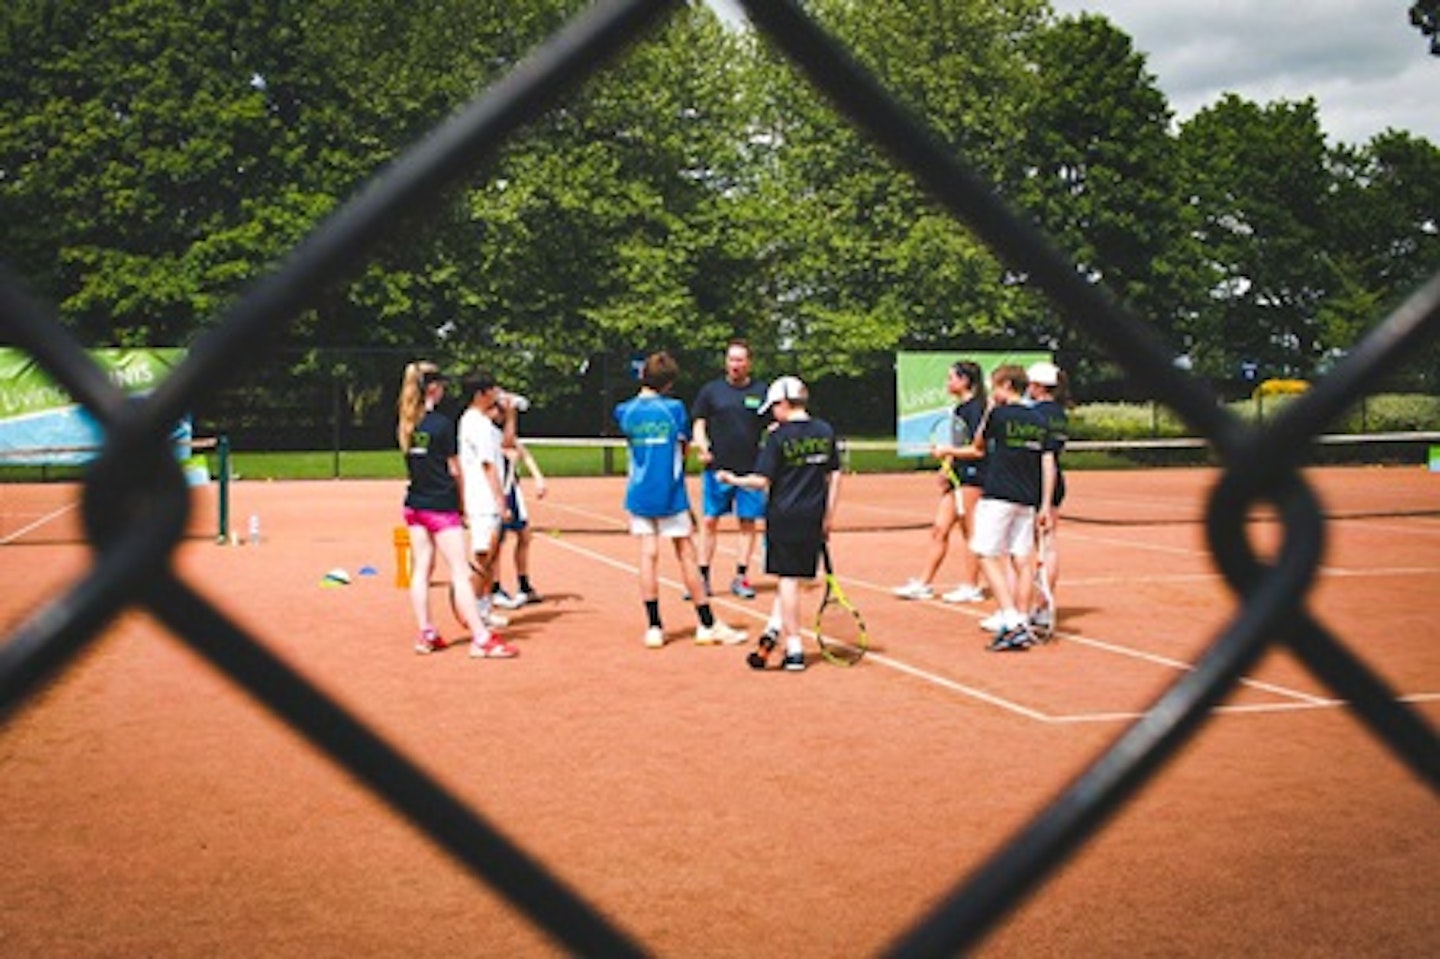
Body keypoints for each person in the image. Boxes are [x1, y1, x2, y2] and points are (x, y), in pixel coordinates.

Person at [614, 350, 749, 649]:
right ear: (669, 383)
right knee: (686, 555)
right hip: (670, 493)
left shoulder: (624, 411)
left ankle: (654, 627)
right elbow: (683, 448)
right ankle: (707, 623)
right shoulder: (674, 410)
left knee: (647, 555)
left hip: (638, 492)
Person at [717, 375, 841, 672]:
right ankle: (773, 630)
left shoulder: (778, 437)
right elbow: (834, 475)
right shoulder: (825, 431)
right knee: (795, 579)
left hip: (783, 516)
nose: (773, 413)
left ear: (785, 403)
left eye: (774, 407)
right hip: (813, 516)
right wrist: (828, 516)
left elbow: (761, 480)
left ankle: (795, 647)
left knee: (786, 579)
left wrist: (732, 478)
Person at [395, 362, 512, 659]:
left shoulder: (407, 423)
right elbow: (454, 470)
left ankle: (426, 633)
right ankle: (481, 637)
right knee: (460, 572)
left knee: (422, 569)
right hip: (440, 506)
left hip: (415, 505)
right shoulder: (442, 424)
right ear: (432, 388)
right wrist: (462, 508)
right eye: (441, 384)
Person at [949, 364, 1054, 652]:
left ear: (1006, 385)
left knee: (984, 552)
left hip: (998, 495)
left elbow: (978, 445)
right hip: (1028, 498)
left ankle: (1010, 618)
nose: (992, 392)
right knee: (1022, 559)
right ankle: (1021, 618)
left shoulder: (998, 414)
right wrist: (1045, 503)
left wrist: (991, 409)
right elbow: (1048, 462)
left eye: (995, 386)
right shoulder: (1039, 419)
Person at [892, 359, 988, 604]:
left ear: (965, 381)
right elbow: (957, 447)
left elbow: (979, 450)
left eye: (951, 378)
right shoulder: (959, 410)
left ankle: (971, 586)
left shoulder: (976, 409)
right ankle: (924, 583)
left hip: (974, 478)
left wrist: (947, 452)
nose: (948, 383)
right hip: (958, 477)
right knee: (939, 529)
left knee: (970, 533)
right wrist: (946, 468)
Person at [690, 339, 769, 600]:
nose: (735, 364)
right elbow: (699, 423)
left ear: (749, 362)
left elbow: (773, 425)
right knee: (709, 522)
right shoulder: (711, 391)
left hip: (750, 471)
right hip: (717, 470)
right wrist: (702, 446)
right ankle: (702, 578)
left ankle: (741, 577)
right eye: (731, 359)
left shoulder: (761, 392)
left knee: (748, 523)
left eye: (740, 360)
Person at [454, 370, 521, 655]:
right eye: (492, 389)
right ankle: (471, 616)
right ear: (481, 394)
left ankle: (481, 611)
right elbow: (487, 465)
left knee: (490, 557)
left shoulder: (482, 422)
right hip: (483, 500)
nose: (497, 393)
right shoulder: (475, 423)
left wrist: (510, 415)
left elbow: (505, 445)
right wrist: (500, 500)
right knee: (483, 560)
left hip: (485, 500)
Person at [487, 402, 547, 609]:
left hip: (512, 490)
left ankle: (524, 585)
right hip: (497, 492)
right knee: (497, 540)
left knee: (524, 535)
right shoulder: (487, 433)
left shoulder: (505, 434)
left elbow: (524, 454)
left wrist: (538, 478)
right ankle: (494, 588)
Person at [1025, 360, 1069, 633]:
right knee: (1049, 546)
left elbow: (1045, 458)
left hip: (1039, 484)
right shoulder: (1060, 414)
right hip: (1054, 484)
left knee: (1036, 546)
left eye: (1031, 383)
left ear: (1039, 386)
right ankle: (1043, 604)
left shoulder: (1035, 414)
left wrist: (1043, 499)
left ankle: (1039, 606)